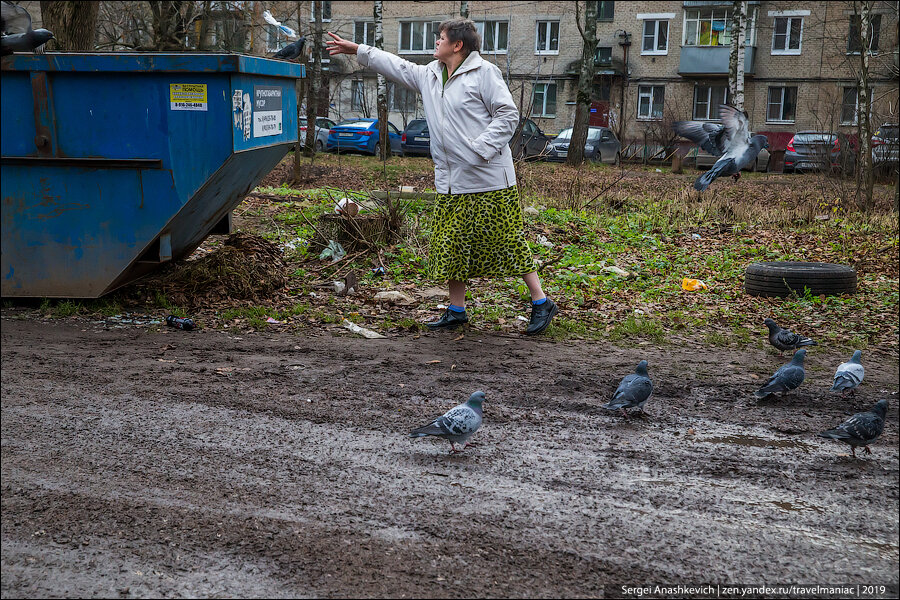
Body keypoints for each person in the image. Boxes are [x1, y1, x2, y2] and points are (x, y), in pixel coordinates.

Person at [326, 19, 558, 335]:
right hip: (451, 180)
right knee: (451, 243)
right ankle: (456, 310)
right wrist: (357, 49)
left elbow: (508, 115)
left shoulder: (484, 74)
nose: (436, 42)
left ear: (457, 45)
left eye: (441, 37)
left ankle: (541, 301)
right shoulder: (431, 75)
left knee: (508, 241)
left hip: (489, 178)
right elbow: (395, 65)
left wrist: (479, 149)